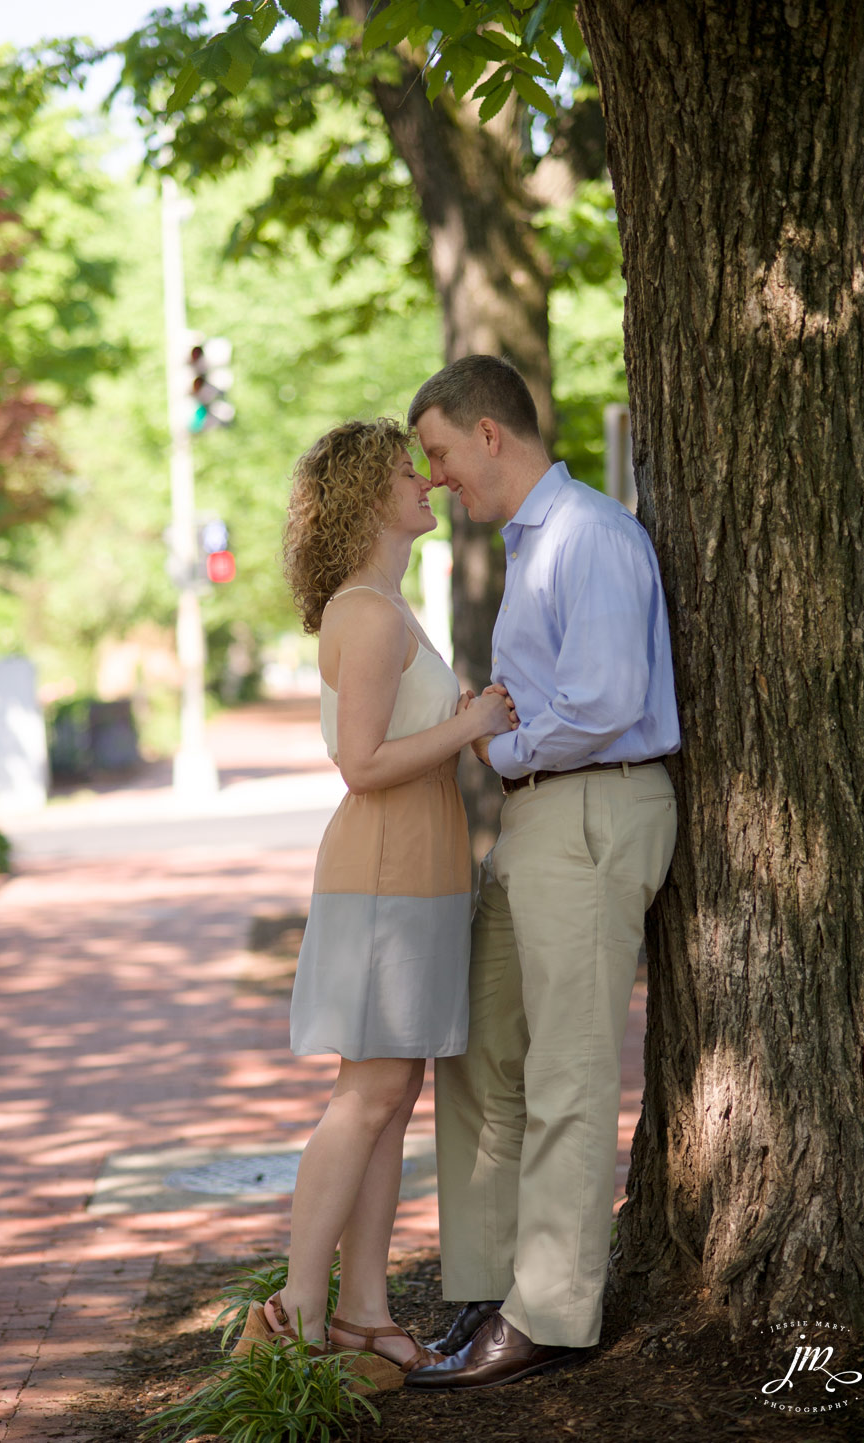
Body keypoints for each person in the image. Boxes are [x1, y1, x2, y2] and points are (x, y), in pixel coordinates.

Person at [402, 355, 681, 1391]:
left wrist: (501, 748)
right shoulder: (532, 545)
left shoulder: (589, 537)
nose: (434, 479)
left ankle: (553, 1316)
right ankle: (487, 1286)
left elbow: (606, 701)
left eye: (437, 453)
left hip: (595, 808)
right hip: (536, 824)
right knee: (474, 1047)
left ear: (489, 434)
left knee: (567, 1068)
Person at [233, 418, 517, 1390]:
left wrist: (461, 720)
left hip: (419, 873)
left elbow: (397, 739)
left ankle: (362, 1312)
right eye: (409, 473)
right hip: (386, 873)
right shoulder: (370, 614)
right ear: (367, 498)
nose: (428, 483)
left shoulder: (388, 610)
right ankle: (298, 1313)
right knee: (365, 1099)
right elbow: (360, 766)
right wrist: (469, 722)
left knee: (391, 1102)